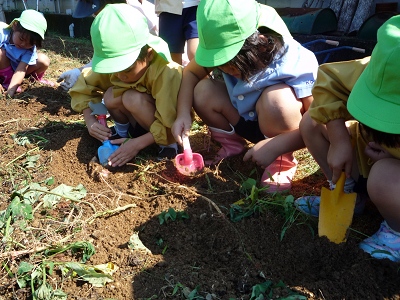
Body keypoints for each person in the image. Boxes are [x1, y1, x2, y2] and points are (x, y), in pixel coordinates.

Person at [171, 0, 318, 192]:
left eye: (231, 65)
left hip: (281, 131)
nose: (225, 69)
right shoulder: (230, 50)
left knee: (277, 101)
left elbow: (319, 121)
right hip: (240, 117)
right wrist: (182, 113)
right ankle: (232, 146)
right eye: (220, 64)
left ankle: (282, 162)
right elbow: (189, 73)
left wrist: (277, 145)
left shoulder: (297, 62)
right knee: (203, 90)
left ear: (262, 44)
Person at [294, 15, 400, 262]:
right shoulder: (380, 68)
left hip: (390, 176)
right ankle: (350, 195)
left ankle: (396, 232)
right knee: (312, 122)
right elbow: (329, 83)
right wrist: (339, 138)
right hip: (364, 159)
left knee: (384, 176)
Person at [69, 3, 183, 166]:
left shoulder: (167, 72)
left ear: (149, 55)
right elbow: (84, 86)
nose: (120, 75)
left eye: (127, 69)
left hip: (163, 126)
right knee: (110, 95)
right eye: (114, 69)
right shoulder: (117, 67)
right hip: (137, 122)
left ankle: (168, 146)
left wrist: (137, 145)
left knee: (131, 98)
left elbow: (171, 119)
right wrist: (89, 120)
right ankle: (123, 134)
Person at [57, 0, 159, 91]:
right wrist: (78, 72)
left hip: (147, 77)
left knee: (126, 98)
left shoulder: (137, 15)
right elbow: (107, 56)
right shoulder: (109, 21)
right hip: (132, 74)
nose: (95, 16)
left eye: (96, 12)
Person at [0, 9, 51, 97]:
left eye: (30, 43)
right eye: (21, 39)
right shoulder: (2, 32)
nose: (23, 44)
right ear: (15, 26)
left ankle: (33, 80)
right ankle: (6, 81)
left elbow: (21, 70)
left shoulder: (29, 50)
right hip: (2, 66)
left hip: (17, 69)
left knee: (44, 60)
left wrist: (12, 89)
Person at [155, 0, 199, 65]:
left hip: (197, 6)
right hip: (168, 7)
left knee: (196, 53)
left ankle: (210, 74)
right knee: (171, 61)